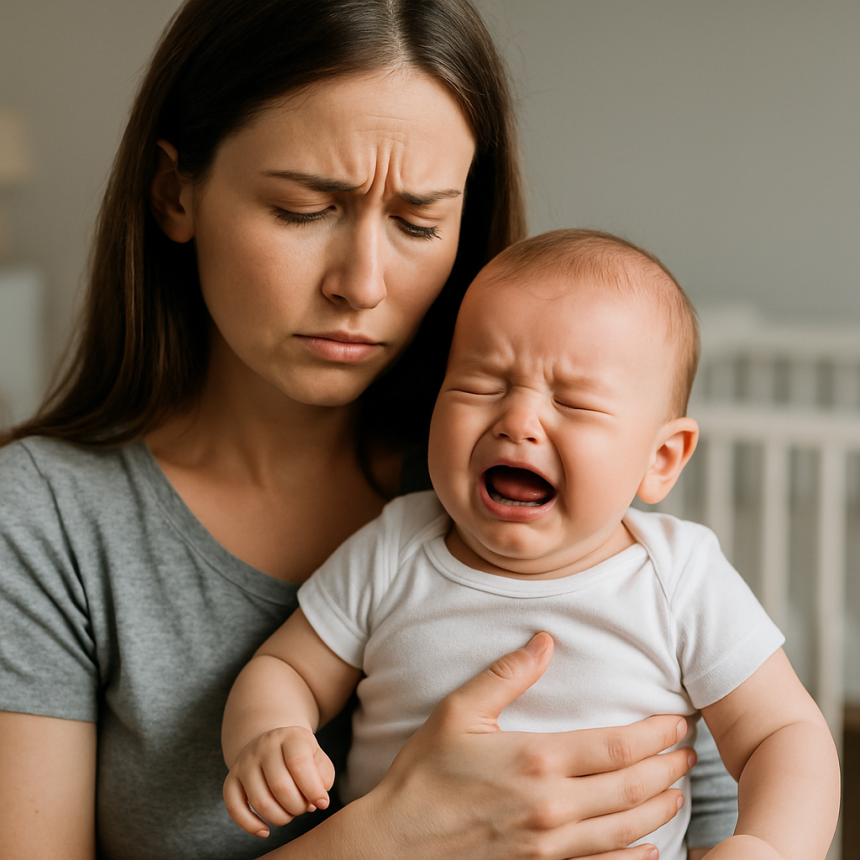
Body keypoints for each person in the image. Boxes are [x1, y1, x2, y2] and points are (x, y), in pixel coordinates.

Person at [0, 1, 734, 858]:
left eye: (419, 223)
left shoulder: (542, 493)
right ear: (175, 192)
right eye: (303, 210)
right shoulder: (45, 521)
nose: (363, 283)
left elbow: (731, 806)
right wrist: (384, 838)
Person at [221, 230, 841, 860]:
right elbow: (287, 668)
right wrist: (271, 733)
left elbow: (785, 735)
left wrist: (768, 845)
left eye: (572, 402)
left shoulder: (678, 578)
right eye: (481, 384)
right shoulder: (395, 550)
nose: (518, 421)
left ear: (660, 459)